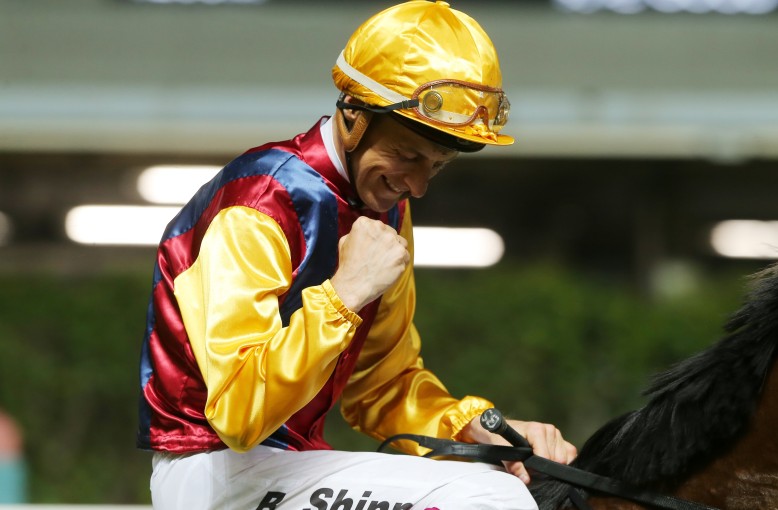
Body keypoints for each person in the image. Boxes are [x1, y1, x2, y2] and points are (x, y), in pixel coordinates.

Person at [137, 2, 576, 509]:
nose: (417, 185)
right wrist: (345, 294)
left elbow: (382, 385)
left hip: (286, 466)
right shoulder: (259, 203)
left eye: (437, 165)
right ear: (352, 116)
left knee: (507, 482)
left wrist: (466, 429)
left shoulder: (384, 207)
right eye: (407, 156)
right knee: (488, 500)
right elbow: (239, 413)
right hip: (211, 467)